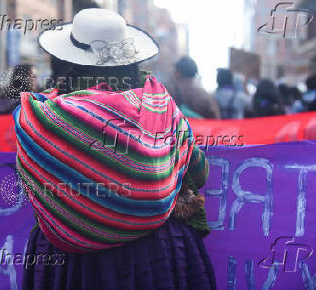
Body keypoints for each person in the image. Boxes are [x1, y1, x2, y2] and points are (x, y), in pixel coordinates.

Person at [15, 8, 216, 290]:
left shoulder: (38, 118)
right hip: (156, 258)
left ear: (66, 62)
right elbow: (200, 172)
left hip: (68, 266)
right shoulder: (160, 105)